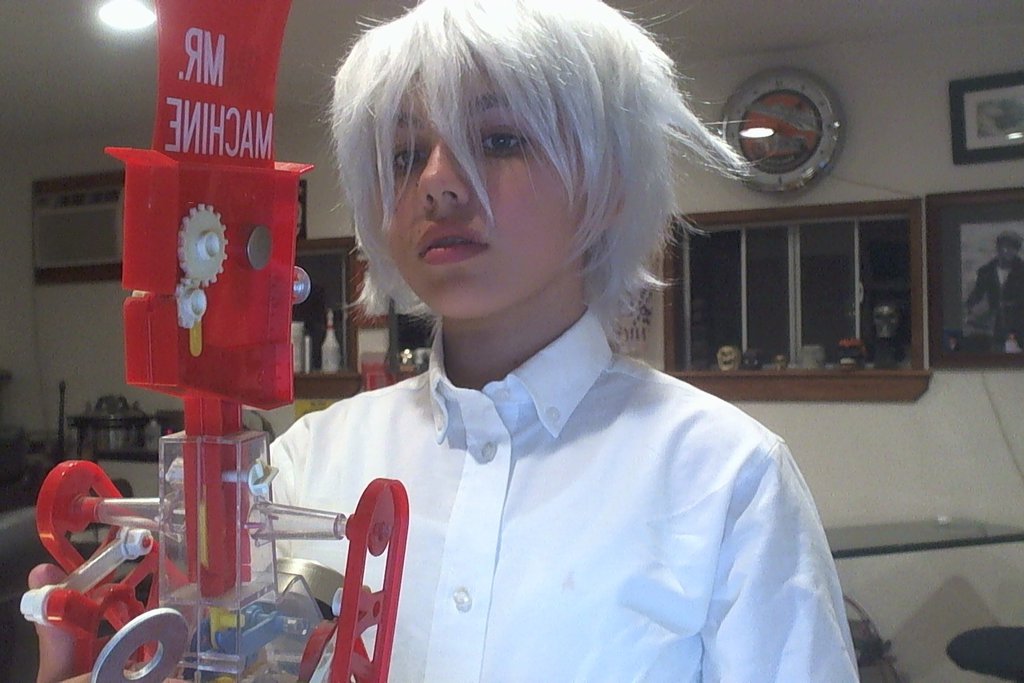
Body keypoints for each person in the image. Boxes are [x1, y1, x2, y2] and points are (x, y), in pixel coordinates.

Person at [33, 1, 858, 681]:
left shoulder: (727, 480)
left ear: (607, 184)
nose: (435, 182)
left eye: (498, 139)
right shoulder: (306, 461)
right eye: (403, 155)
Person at [964, 229, 1024, 351]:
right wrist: (968, 308)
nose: (1006, 251)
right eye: (1003, 246)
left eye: (1011, 247)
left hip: (1020, 322)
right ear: (998, 248)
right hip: (996, 325)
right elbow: (977, 293)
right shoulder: (986, 271)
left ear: (1017, 250)